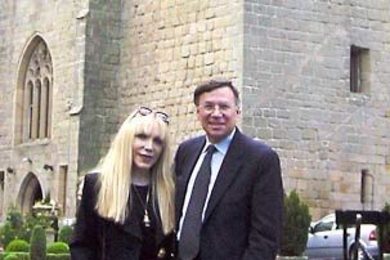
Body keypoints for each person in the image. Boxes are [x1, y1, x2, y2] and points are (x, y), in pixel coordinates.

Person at [175, 79, 284, 260]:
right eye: (208, 106)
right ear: (198, 112)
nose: (216, 114)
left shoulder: (260, 160)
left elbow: (266, 237)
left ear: (237, 111)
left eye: (224, 107)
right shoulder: (186, 151)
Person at [70, 107, 176, 260]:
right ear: (126, 140)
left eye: (157, 141)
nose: (149, 147)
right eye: (142, 137)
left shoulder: (169, 192)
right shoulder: (97, 185)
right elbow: (82, 246)